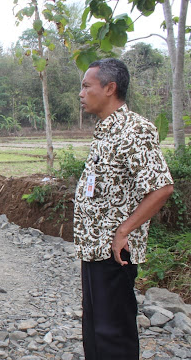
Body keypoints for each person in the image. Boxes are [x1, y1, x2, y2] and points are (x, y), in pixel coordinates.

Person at [74, 58, 174, 360]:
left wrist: (123, 232)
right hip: (93, 248)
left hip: (115, 253)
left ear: (110, 88)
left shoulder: (135, 130)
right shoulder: (105, 130)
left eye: (86, 86)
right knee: (94, 330)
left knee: (114, 334)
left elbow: (161, 187)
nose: (80, 93)